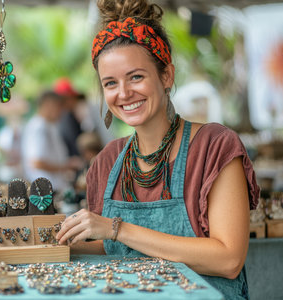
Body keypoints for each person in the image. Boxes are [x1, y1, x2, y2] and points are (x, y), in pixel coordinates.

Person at [55, 1, 260, 299]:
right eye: (110, 83)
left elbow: (228, 259)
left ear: (166, 76)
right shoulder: (107, 161)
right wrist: (59, 241)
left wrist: (117, 228)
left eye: (136, 77)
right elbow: (110, 245)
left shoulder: (215, 147)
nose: (123, 93)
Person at [22, 91, 80, 194]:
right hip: (46, 190)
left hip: (55, 187)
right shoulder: (38, 127)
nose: (61, 111)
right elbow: (37, 162)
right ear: (48, 105)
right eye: (58, 106)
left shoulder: (49, 125)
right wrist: (66, 166)